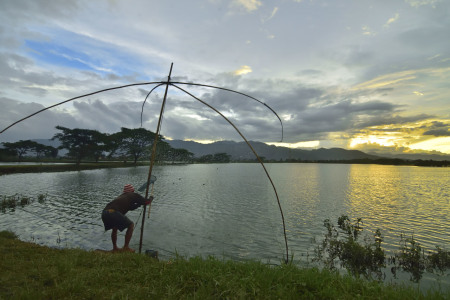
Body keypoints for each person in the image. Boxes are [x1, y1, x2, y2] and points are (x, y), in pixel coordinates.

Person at [101, 184, 153, 252]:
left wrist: (138, 204)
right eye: (133, 190)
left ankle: (115, 248)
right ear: (132, 191)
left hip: (105, 213)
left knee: (115, 228)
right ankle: (126, 247)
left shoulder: (122, 197)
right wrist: (151, 198)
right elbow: (146, 202)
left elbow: (130, 207)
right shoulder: (133, 195)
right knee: (131, 225)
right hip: (113, 212)